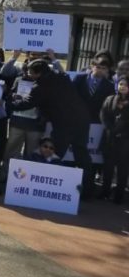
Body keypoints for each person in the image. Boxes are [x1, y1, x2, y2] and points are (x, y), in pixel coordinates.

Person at [9, 59, 93, 197]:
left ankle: (48, 188)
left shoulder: (40, 87)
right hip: (82, 120)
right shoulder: (62, 77)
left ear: (38, 73)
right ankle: (88, 191)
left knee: (54, 154)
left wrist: (11, 102)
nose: (28, 74)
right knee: (82, 154)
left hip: (63, 124)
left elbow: (27, 103)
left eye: (30, 72)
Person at [99, 76, 128, 203]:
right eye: (120, 84)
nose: (122, 86)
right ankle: (105, 191)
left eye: (126, 85)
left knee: (123, 169)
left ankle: (119, 195)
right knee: (108, 167)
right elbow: (103, 115)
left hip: (125, 141)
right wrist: (111, 129)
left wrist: (123, 133)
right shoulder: (110, 99)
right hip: (110, 138)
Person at [72, 57, 115, 123]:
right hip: (75, 116)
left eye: (103, 68)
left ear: (107, 70)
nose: (100, 70)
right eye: (98, 67)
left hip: (95, 120)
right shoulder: (79, 78)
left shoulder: (110, 85)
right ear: (92, 67)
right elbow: (70, 95)